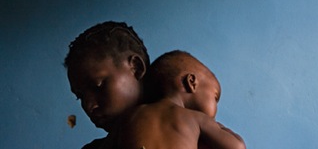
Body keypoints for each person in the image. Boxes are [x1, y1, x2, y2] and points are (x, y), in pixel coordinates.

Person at [117, 50, 246, 149]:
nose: (216, 107)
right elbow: (237, 147)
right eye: (215, 97)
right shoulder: (196, 118)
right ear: (192, 82)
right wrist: (217, 126)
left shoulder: (131, 115)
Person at [64, 21, 150, 149]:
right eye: (80, 96)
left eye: (97, 86)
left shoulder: (185, 131)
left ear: (136, 67)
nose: (89, 106)